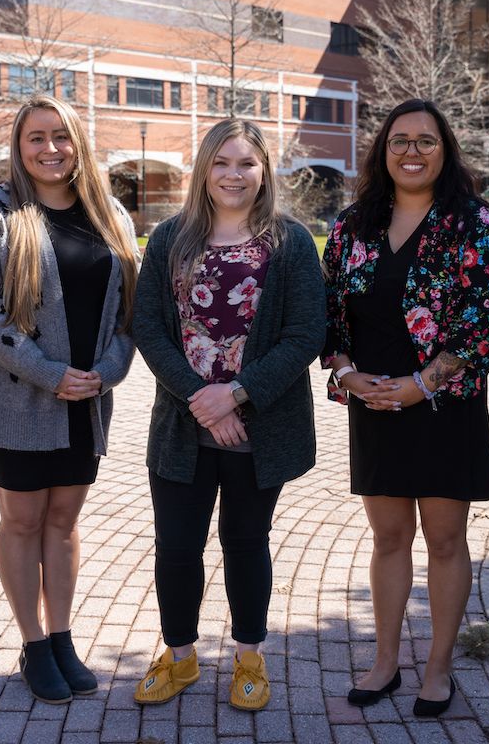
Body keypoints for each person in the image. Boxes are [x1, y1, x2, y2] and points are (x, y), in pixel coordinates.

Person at [130, 119, 325, 712]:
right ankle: (181, 656)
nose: (233, 175)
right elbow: (148, 328)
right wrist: (203, 400)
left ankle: (249, 656)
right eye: (221, 163)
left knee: (245, 541)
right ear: (203, 170)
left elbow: (305, 334)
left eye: (246, 163)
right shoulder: (171, 238)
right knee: (177, 545)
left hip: (258, 427)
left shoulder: (289, 242)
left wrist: (235, 395)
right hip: (182, 425)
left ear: (265, 170)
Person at [322, 98, 489, 717]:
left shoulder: (472, 221)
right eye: (400, 140)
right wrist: (346, 372)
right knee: (390, 537)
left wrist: (421, 384)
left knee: (446, 539)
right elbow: (331, 315)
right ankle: (385, 662)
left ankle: (439, 667)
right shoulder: (352, 226)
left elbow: (482, 321)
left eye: (426, 141)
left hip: (443, 407)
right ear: (383, 150)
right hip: (373, 404)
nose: (412, 151)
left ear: (444, 151)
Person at [0, 95, 138, 704]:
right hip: (19, 399)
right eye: (37, 137)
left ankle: (62, 637)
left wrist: (108, 371)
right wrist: (49, 373)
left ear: (78, 142)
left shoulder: (109, 213)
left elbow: (128, 311)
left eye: (61, 136)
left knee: (63, 521)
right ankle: (33, 644)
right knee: (23, 519)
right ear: (19, 144)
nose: (50, 148)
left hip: (85, 399)